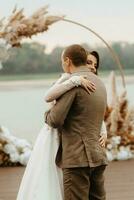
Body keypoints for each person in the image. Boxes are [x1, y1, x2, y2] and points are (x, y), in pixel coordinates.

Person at [45, 44, 108, 200]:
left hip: (78, 159)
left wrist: (47, 113)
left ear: (67, 61)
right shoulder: (100, 83)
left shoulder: (75, 84)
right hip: (98, 155)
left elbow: (55, 120)